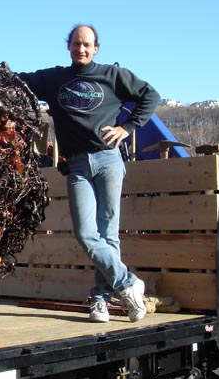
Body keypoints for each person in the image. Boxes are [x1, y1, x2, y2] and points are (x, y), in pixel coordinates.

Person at [17, 25, 160, 322]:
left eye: (87, 44)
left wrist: (126, 127)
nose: (81, 49)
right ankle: (129, 283)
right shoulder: (54, 78)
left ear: (96, 48)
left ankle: (101, 300)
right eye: (76, 44)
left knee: (108, 234)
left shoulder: (112, 76)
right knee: (86, 234)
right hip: (78, 164)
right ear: (68, 46)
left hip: (108, 160)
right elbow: (17, 81)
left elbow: (150, 95)